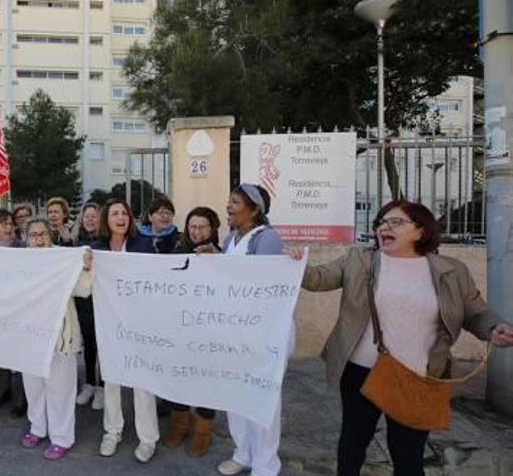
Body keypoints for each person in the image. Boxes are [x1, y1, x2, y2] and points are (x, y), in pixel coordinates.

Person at [288, 200, 513, 476]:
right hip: (362, 372)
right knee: (353, 444)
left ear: (420, 230)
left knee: (408, 456)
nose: (385, 227)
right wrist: (296, 264)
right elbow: (318, 278)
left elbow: (475, 311)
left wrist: (493, 328)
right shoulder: (360, 260)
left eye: (395, 222)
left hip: (421, 377)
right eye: (382, 222)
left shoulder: (452, 271)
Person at [216, 184, 288, 476]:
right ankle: (243, 453)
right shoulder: (229, 239)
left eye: (235, 202)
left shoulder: (266, 238)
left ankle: (265, 464)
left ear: (255, 209)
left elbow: (261, 284)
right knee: (236, 394)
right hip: (234, 331)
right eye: (229, 201)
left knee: (263, 397)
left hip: (263, 331)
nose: (229, 207)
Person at [92, 199, 160, 463]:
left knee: (143, 383)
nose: (120, 217)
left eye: (125, 213)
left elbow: (155, 281)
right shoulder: (95, 248)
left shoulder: (143, 244)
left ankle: (148, 439)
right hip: (109, 324)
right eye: (114, 213)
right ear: (105, 219)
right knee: (111, 380)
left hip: (140, 324)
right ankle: (113, 431)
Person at [20, 218, 93, 460]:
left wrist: (84, 268)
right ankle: (37, 428)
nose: (38, 239)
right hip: (29, 337)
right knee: (33, 387)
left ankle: (61, 438)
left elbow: (84, 290)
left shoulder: (63, 259)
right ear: (26, 238)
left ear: (50, 236)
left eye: (42, 234)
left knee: (60, 389)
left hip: (60, 336)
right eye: (33, 235)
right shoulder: (17, 263)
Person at [163, 206, 222, 458]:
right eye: (193, 227)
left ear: (213, 229)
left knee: (206, 378)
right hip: (181, 329)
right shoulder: (177, 251)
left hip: (210, 330)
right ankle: (179, 424)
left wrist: (218, 259)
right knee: (180, 377)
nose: (197, 232)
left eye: (203, 227)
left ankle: (203, 430)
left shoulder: (223, 254)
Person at [0, 209, 27, 415]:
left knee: (19, 353)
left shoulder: (21, 247)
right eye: (4, 224)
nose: (9, 227)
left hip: (18, 307)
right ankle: (6, 390)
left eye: (11, 223)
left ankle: (21, 398)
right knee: (1, 353)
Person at [71, 203, 104, 410]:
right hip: (83, 302)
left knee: (104, 346)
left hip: (102, 301)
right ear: (82, 220)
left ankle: (103, 386)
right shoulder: (75, 243)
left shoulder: (106, 242)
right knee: (89, 345)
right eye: (87, 216)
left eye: (94, 216)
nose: (90, 220)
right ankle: (89, 383)